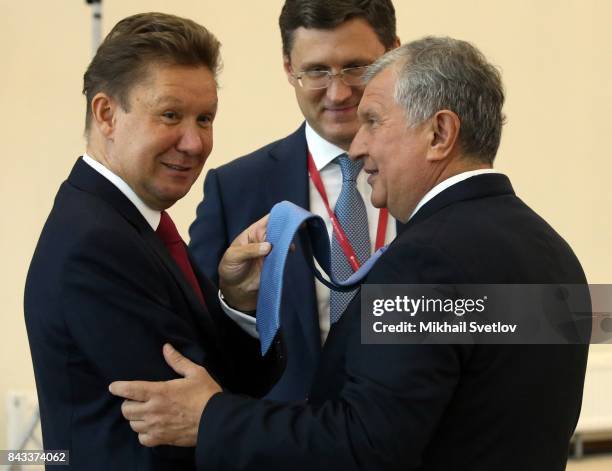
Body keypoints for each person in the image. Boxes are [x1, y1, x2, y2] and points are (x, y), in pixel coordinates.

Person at [111, 36, 590, 470]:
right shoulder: (558, 255)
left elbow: (365, 444)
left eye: (374, 122)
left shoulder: (422, 264)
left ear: (440, 134)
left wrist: (210, 418)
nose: (357, 146)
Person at [24, 13, 282, 470]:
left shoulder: (133, 225)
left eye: (205, 118)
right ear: (106, 113)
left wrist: (238, 303)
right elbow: (187, 415)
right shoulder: (96, 243)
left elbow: (220, 390)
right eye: (170, 115)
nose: (194, 142)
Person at [188, 0, 401, 400]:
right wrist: (236, 302)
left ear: (393, 54)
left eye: (356, 67)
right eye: (317, 71)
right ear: (289, 67)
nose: (338, 93)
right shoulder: (234, 189)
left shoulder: (432, 177)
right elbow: (198, 339)